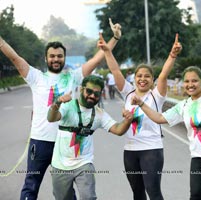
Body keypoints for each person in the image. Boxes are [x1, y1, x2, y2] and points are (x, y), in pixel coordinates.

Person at [0, 18, 122, 200]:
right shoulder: (36, 77)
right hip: (40, 142)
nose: (56, 59)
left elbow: (98, 58)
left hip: (65, 143)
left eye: (59, 56)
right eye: (52, 56)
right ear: (46, 58)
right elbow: (14, 57)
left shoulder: (74, 76)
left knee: (66, 192)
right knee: (31, 185)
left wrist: (115, 38)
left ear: (64, 58)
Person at [99, 33, 182, 200]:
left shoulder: (156, 95)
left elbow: (164, 75)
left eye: (147, 76)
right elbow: (115, 70)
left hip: (151, 150)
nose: (142, 79)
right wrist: (107, 51)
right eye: (139, 76)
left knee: (153, 191)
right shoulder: (128, 92)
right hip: (130, 150)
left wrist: (172, 55)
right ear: (134, 78)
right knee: (137, 193)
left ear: (152, 80)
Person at [131, 66, 201, 200]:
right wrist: (141, 104)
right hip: (198, 156)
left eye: (194, 81)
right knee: (195, 195)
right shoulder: (184, 105)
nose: (190, 85)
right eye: (187, 81)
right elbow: (160, 118)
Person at [47, 75, 133, 200]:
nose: (92, 96)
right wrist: (57, 103)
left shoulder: (99, 114)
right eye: (89, 91)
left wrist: (127, 121)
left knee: (89, 197)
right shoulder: (68, 105)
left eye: (97, 94)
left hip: (84, 163)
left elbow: (118, 130)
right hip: (60, 165)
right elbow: (51, 118)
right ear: (82, 90)